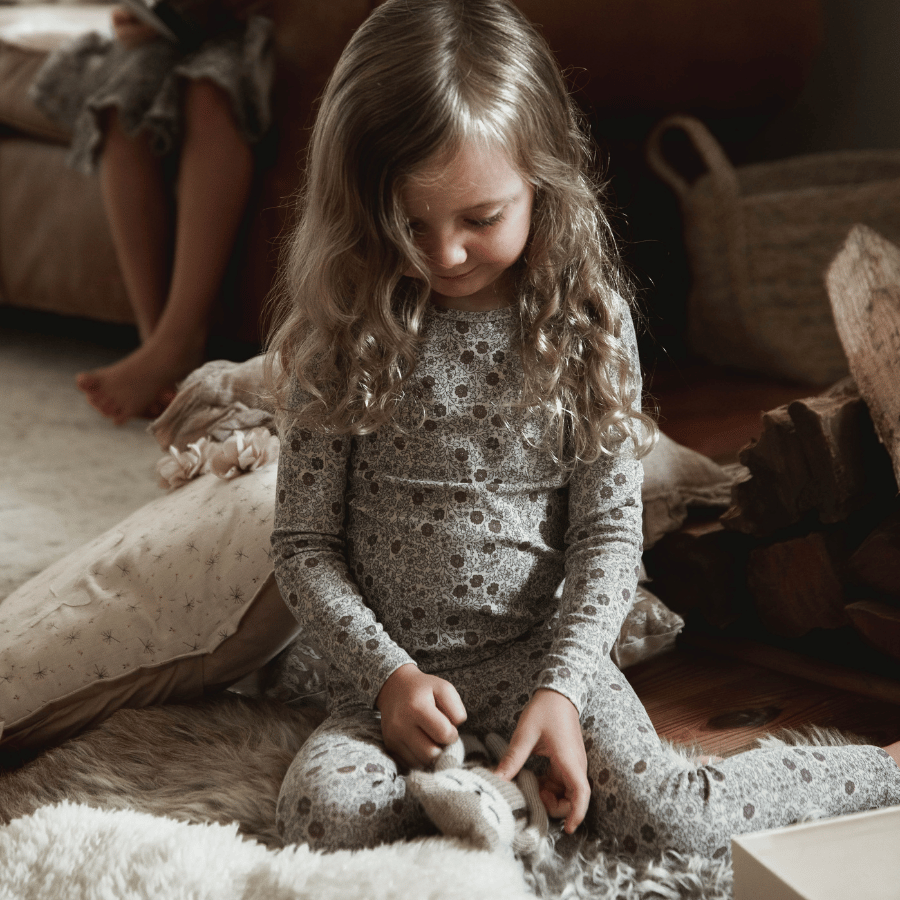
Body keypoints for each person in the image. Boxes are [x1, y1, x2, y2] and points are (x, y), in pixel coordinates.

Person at [266, 0, 900, 856]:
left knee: (672, 819)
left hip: (543, 661)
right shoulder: (340, 331)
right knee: (322, 815)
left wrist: (565, 688)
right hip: (393, 682)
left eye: (480, 219)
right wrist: (388, 678)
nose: (444, 253)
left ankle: (880, 770)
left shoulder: (586, 324)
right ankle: (496, 797)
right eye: (408, 224)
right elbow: (304, 544)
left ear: (542, 181)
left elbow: (607, 532)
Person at [30, 1, 273, 425]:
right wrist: (138, 14)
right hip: (170, 32)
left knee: (210, 90)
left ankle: (179, 340)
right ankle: (156, 346)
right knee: (124, 100)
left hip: (249, 33)